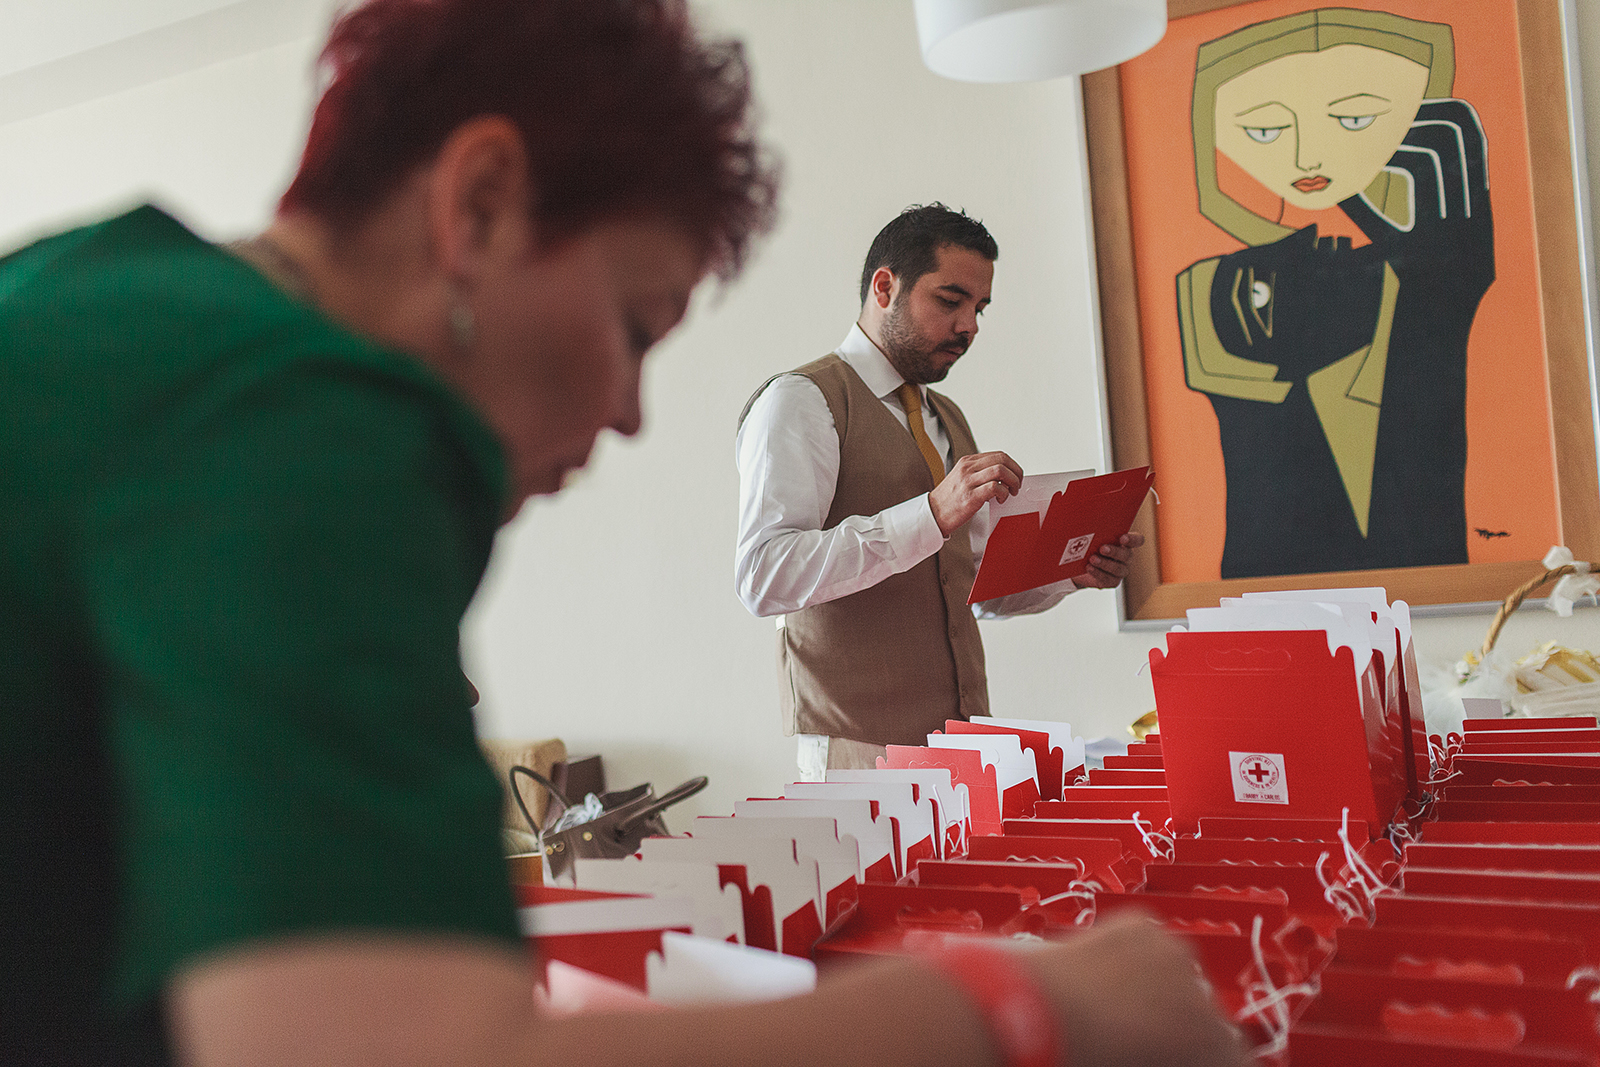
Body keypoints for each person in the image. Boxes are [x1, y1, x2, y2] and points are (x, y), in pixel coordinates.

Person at [1, 2, 1246, 1066]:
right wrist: (1020, 1003)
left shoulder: (86, 301)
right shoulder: (299, 420)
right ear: (479, 203)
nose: (629, 412)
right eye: (636, 324)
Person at [736, 205, 1144, 774]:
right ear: (885, 287)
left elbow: (965, 582)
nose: (969, 326)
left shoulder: (944, 416)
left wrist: (1067, 572)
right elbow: (764, 575)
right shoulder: (801, 400)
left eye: (979, 308)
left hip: (967, 744)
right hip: (857, 753)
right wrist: (929, 512)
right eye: (950, 301)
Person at [1178, 9, 1491, 578]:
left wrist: (1437, 310)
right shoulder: (1216, 285)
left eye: (1354, 119)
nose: (1308, 160)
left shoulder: (1416, 267)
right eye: (1265, 130)